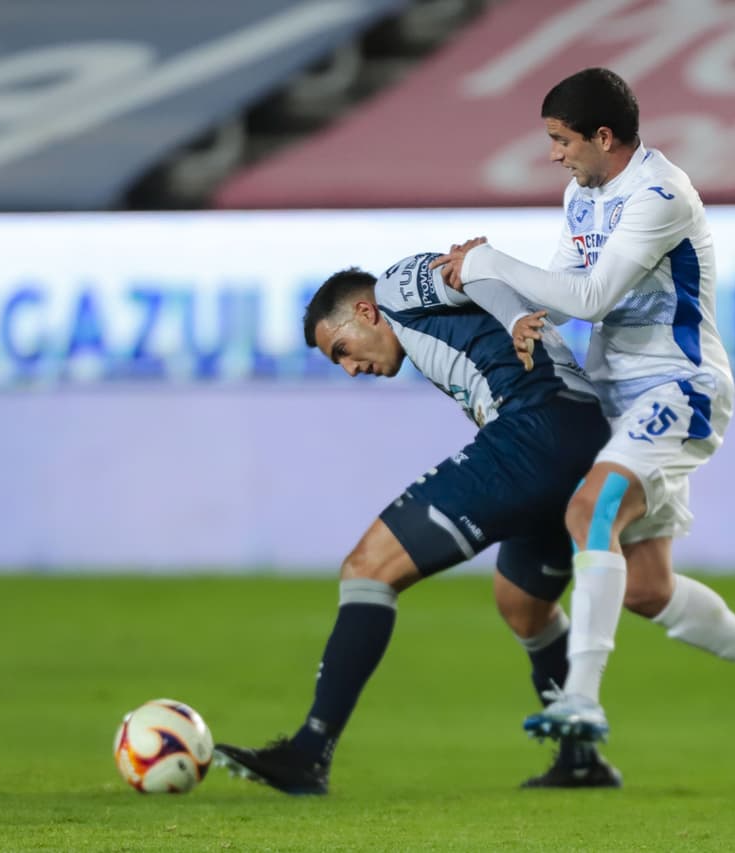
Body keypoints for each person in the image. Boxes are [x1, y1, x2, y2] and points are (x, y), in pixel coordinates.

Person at [432, 67, 735, 763]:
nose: (553, 154)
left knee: (592, 510)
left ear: (603, 137)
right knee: (647, 587)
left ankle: (581, 695)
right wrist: (521, 311)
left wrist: (491, 257)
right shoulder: (582, 194)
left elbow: (591, 296)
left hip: (680, 386)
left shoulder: (660, 194)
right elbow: (561, 283)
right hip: (618, 399)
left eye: (560, 140)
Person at [213, 252, 620, 794]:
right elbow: (500, 281)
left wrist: (479, 263)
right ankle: (580, 758)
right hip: (583, 437)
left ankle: (309, 751)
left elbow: (473, 268)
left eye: (344, 350)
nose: (352, 369)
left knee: (368, 568)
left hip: (533, 433)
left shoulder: (396, 289)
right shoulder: (437, 322)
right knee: (524, 606)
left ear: (366, 311)